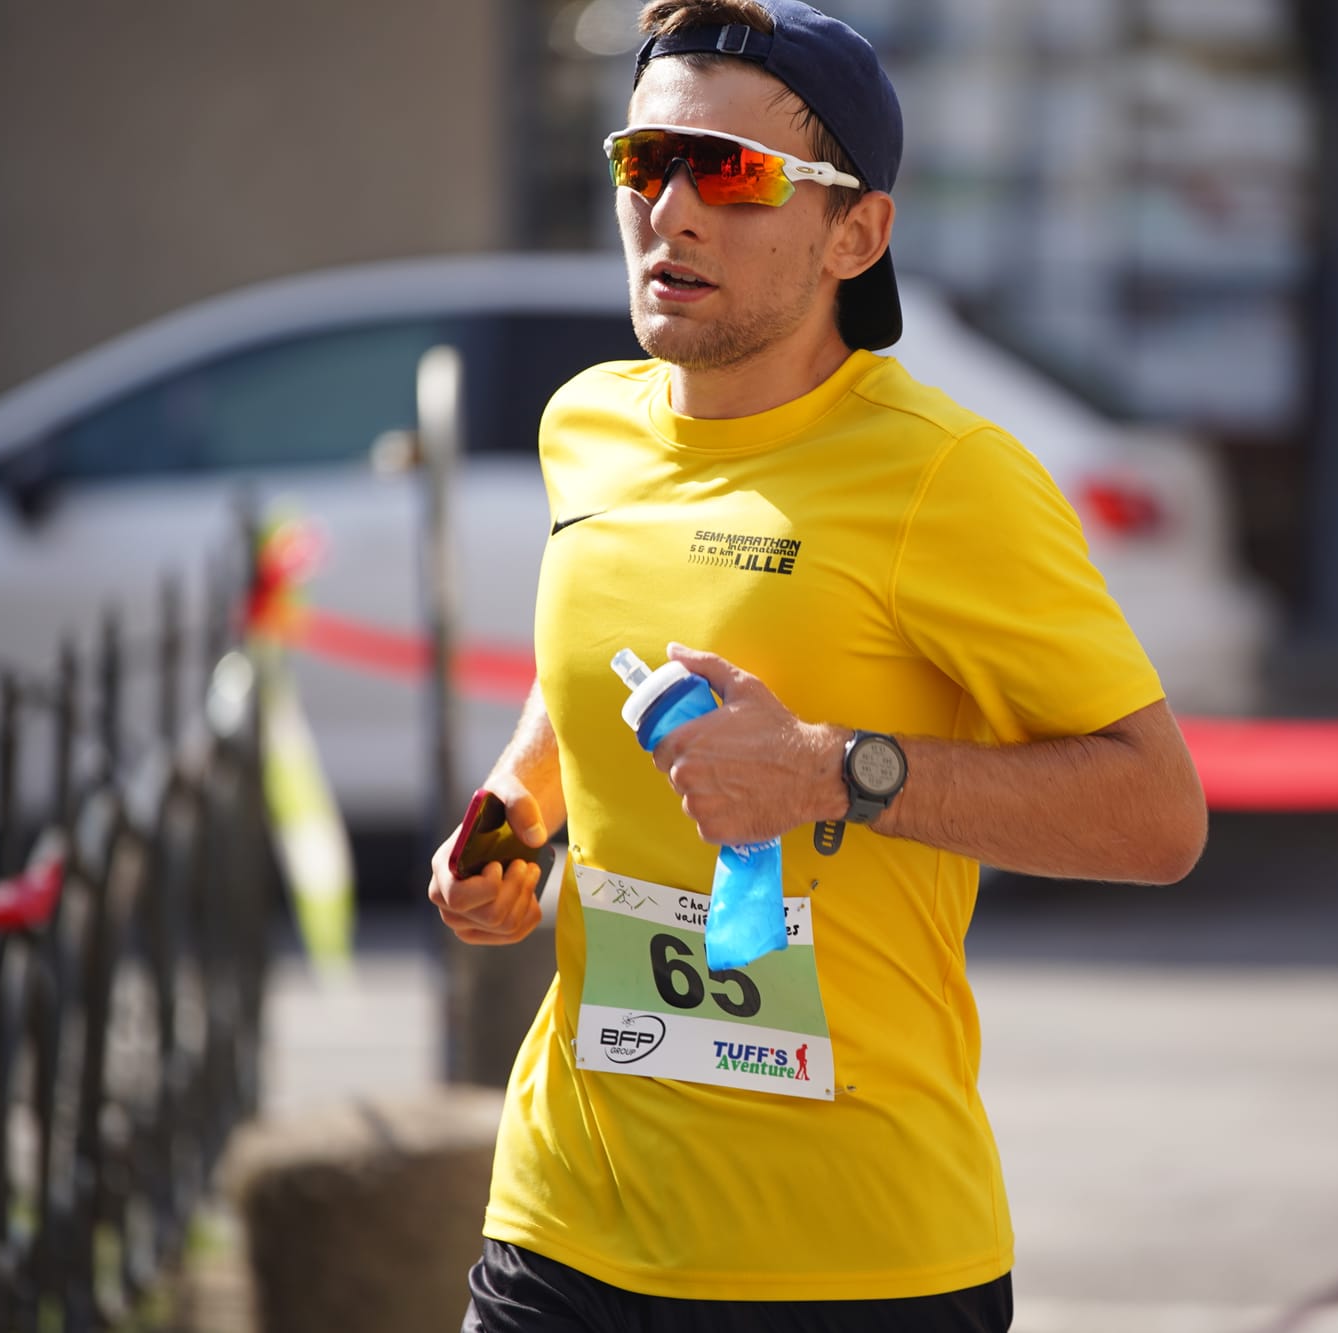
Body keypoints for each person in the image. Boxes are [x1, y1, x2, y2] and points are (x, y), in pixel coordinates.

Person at [426, 1, 1207, 1328]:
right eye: (644, 162)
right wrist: (514, 814)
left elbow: (1158, 814)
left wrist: (823, 772)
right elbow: (592, 668)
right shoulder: (589, 426)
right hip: (565, 1219)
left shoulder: (949, 479)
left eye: (729, 174)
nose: (672, 211)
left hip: (853, 1261)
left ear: (857, 231)